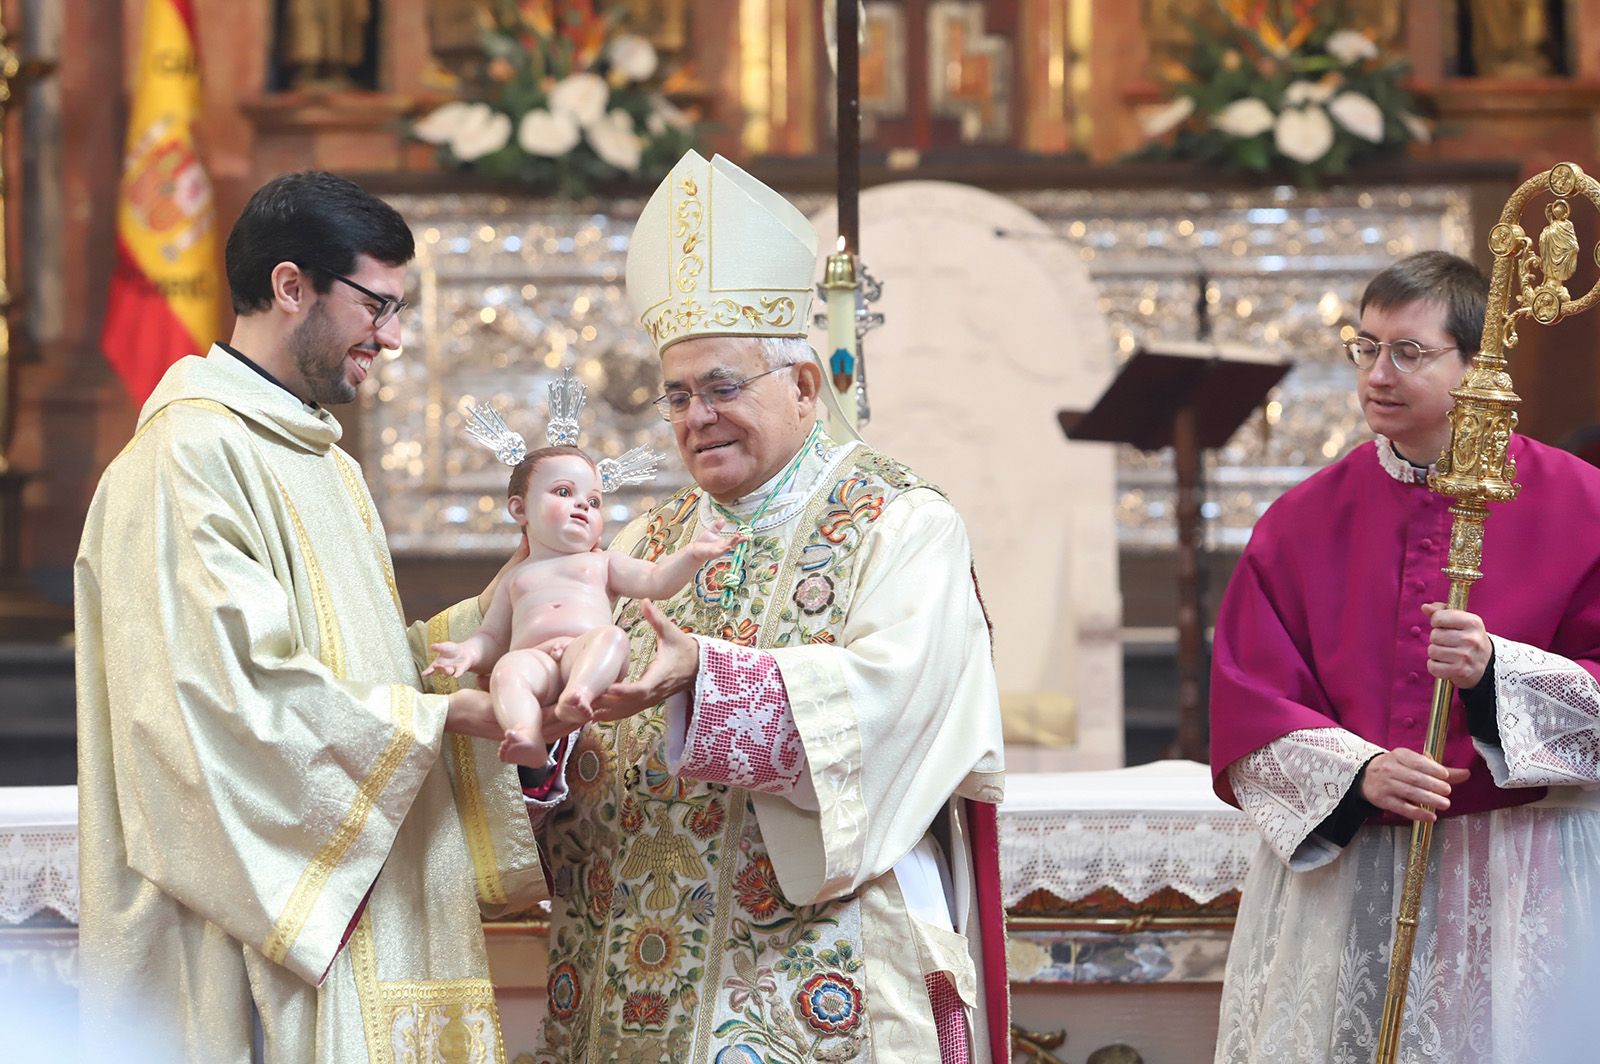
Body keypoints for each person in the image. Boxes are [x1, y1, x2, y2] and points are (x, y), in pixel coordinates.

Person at [519, 150, 1010, 1063]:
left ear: (804, 384)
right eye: (677, 396)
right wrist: (543, 727)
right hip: (630, 967)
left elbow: (895, 712)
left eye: (722, 387)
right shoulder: (638, 545)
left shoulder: (902, 524)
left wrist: (707, 679)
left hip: (813, 966)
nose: (696, 416)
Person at [75, 170, 546, 1063]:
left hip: (361, 922)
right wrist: (442, 715)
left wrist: (502, 617)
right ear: (292, 287)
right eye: (378, 306)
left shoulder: (317, 456)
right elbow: (220, 706)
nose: (395, 338)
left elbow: (356, 673)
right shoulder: (189, 456)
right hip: (251, 949)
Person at [1210, 250, 1600, 1064]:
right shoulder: (1301, 520)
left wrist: (1500, 671)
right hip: (1355, 872)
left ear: (1478, 364)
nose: (1378, 374)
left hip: (1520, 873)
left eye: (1409, 352)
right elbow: (1250, 699)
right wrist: (1359, 774)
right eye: (1366, 347)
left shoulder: (1582, 504)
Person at [424, 443, 740, 766]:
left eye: (593, 501)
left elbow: (657, 581)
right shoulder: (513, 578)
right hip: (537, 661)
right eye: (563, 492)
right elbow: (492, 638)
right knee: (506, 671)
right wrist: (468, 653)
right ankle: (524, 733)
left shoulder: (601, 563)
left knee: (613, 638)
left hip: (585, 652)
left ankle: (579, 693)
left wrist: (692, 555)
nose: (582, 505)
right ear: (520, 510)